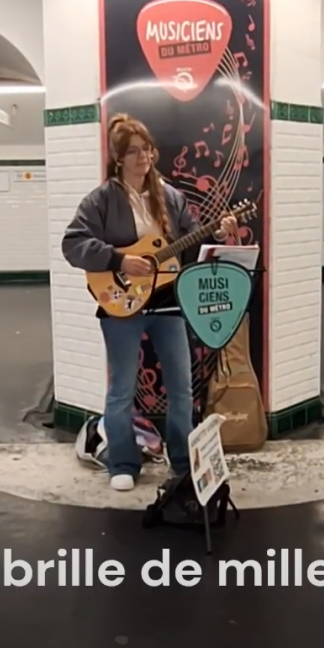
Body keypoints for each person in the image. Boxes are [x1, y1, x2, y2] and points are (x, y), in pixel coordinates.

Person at [61, 114, 236, 492]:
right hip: (120, 304)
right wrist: (119, 261)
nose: (144, 157)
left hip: (168, 302)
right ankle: (122, 462)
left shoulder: (170, 197)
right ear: (118, 158)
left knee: (182, 388)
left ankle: (183, 462)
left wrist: (217, 233)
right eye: (134, 151)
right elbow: (72, 244)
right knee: (121, 390)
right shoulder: (101, 200)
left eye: (147, 149)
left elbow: (192, 238)